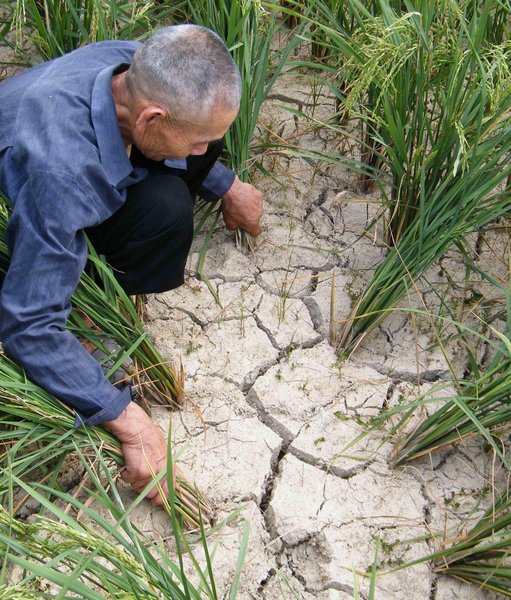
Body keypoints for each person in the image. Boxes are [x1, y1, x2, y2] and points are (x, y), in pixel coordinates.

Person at [0, 25, 263, 505]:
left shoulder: (132, 64)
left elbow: (197, 144)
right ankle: (85, 311)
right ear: (152, 118)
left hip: (68, 146)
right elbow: (27, 323)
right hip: (30, 183)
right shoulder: (65, 175)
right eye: (197, 140)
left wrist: (227, 185)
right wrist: (127, 418)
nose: (203, 151)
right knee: (166, 213)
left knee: (194, 160)